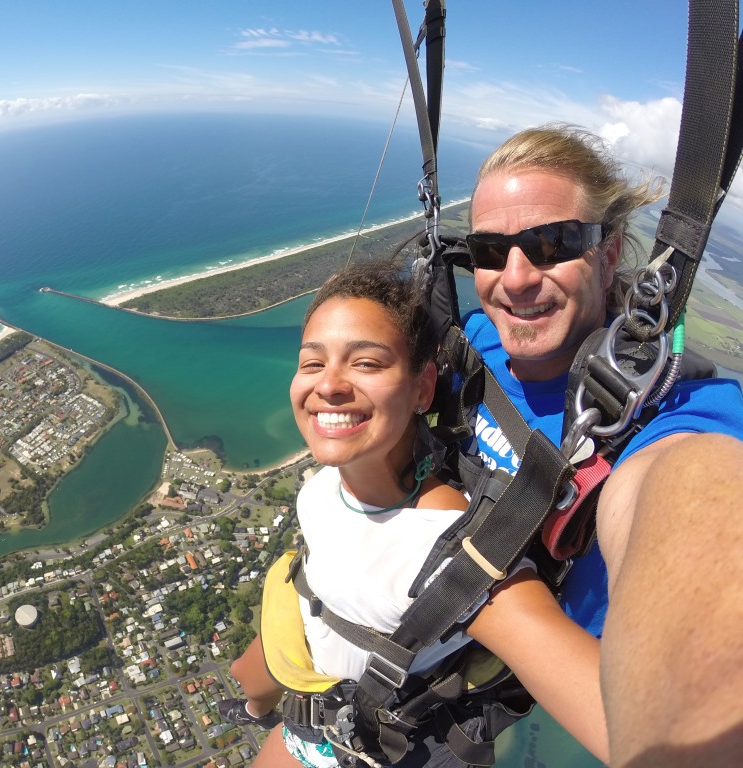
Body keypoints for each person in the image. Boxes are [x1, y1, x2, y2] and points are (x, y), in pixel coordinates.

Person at [222, 262, 609, 767]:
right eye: (313, 364)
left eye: (365, 363)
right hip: (310, 708)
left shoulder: (457, 556)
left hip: (358, 746)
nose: (329, 385)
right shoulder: (321, 488)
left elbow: (620, 720)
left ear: (423, 389)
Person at [463, 124, 743, 767]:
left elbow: (686, 495)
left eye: (551, 243)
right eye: (488, 249)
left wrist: (493, 605)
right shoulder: (475, 344)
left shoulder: (672, 412)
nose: (515, 279)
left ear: (610, 255)